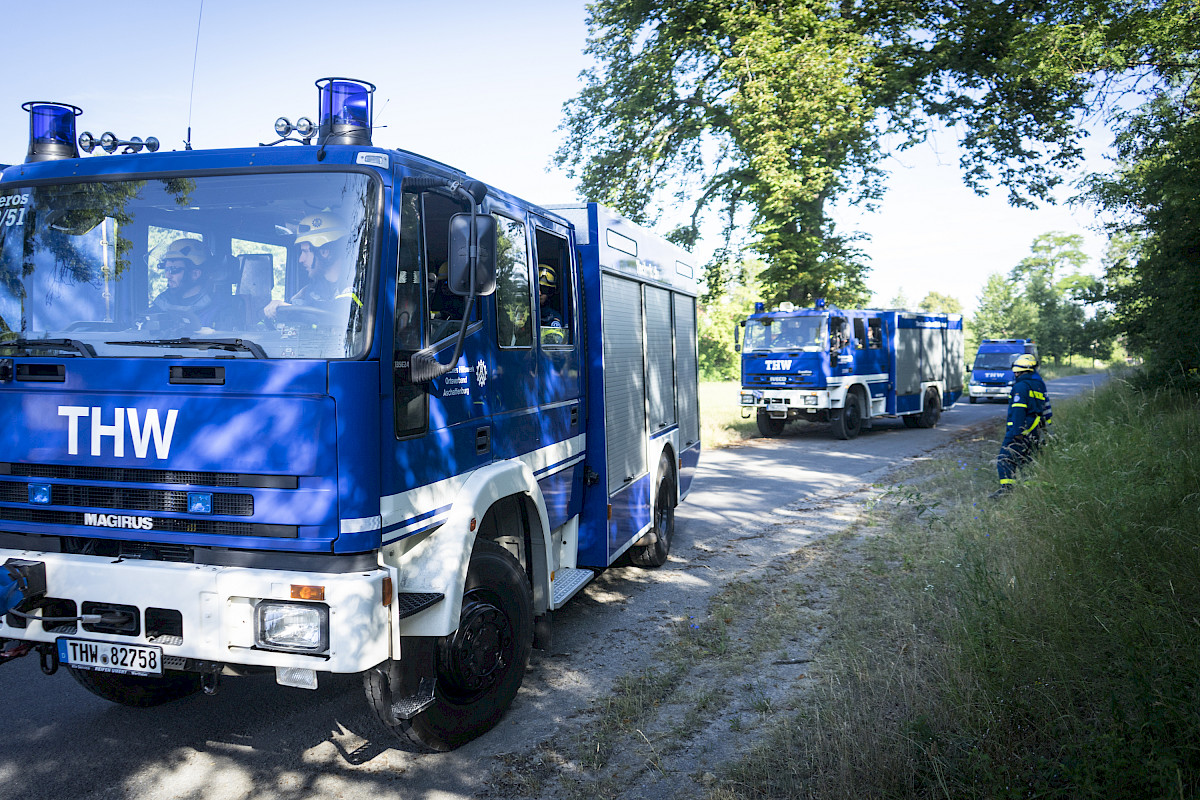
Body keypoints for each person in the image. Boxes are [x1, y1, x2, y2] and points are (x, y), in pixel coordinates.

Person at [265, 212, 357, 320]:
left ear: (324, 252)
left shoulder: (358, 286)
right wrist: (279, 307)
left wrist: (291, 309)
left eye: (305, 252)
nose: (300, 259)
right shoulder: (310, 290)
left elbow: (342, 317)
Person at [993, 353, 1051, 497]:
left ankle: (1006, 490)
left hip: (1021, 431)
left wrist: (1016, 432)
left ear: (1019, 371)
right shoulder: (1038, 384)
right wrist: (1045, 429)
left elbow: (1019, 409)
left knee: (1004, 458)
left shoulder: (1021, 386)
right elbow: (1045, 409)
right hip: (1034, 430)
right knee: (1027, 460)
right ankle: (1030, 491)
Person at [150, 238, 221, 330]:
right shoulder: (162, 304)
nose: (167, 275)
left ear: (195, 274)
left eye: (173, 269)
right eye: (166, 269)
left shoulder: (218, 311)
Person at [538, 263, 565, 344]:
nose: (539, 293)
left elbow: (552, 344)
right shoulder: (520, 312)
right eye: (536, 288)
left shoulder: (553, 317)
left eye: (544, 289)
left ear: (550, 293)